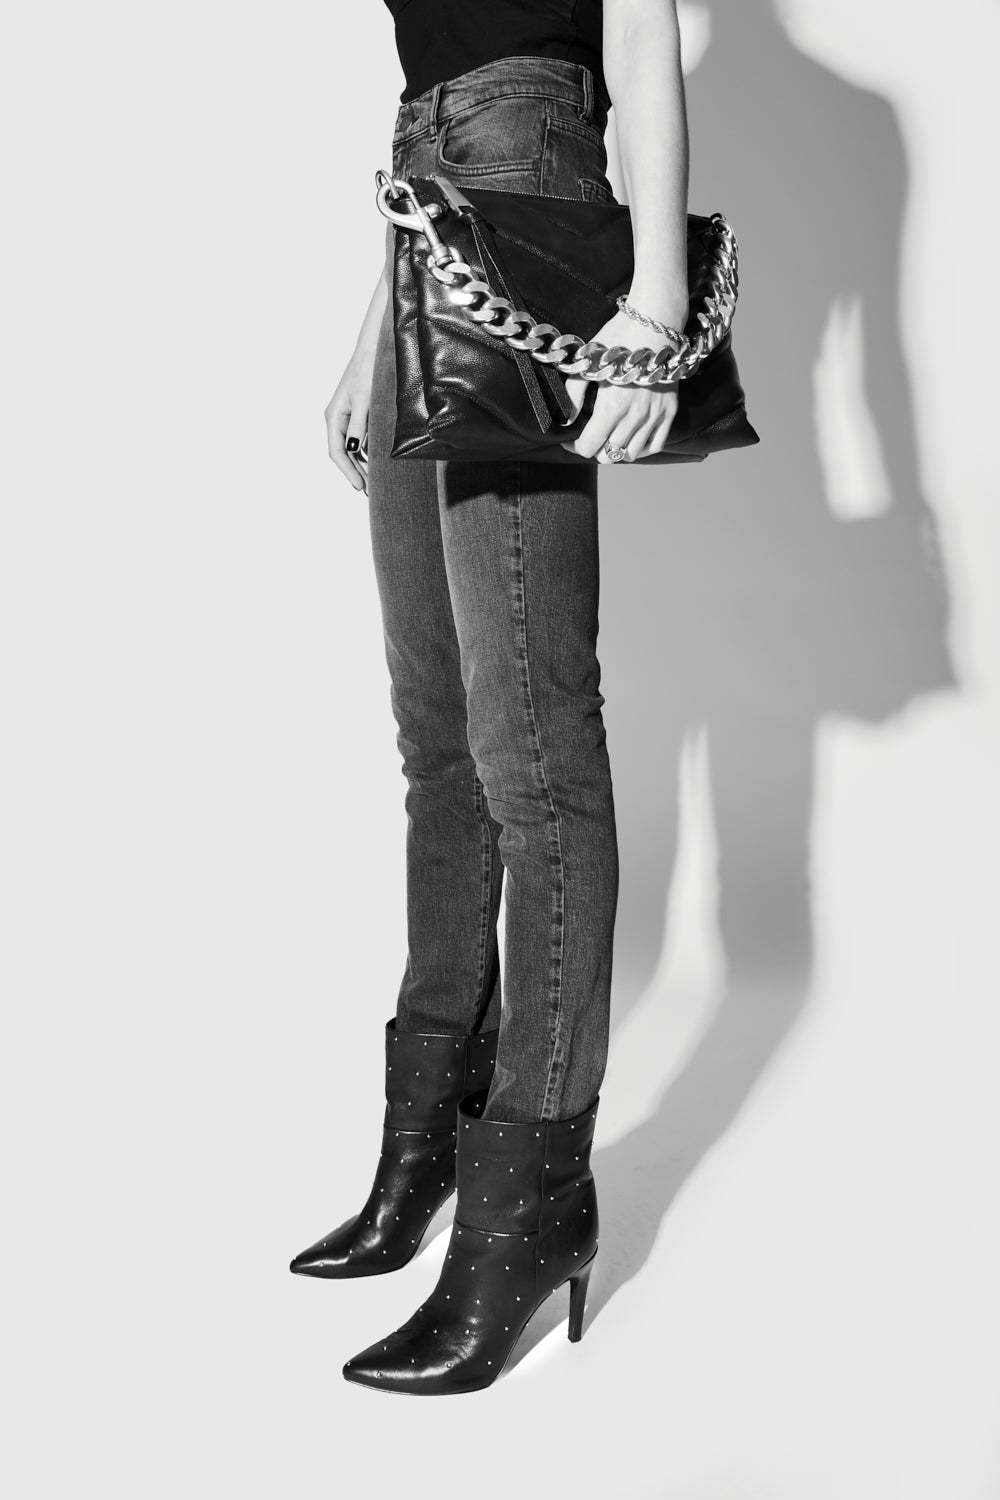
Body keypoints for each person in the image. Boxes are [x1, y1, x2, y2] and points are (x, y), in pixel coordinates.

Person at [290, 0, 691, 1394]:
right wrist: (374, 338)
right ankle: (425, 1151)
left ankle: (532, 1200)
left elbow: (639, 41)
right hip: (430, 227)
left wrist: (654, 306)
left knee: (536, 748)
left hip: (536, 204)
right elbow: (443, 106)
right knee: (440, 743)